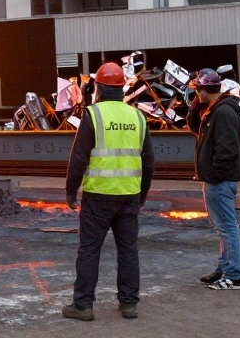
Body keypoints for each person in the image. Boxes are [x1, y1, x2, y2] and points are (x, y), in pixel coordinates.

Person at [62, 62, 154, 322]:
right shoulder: (138, 117)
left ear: (99, 88)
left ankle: (83, 306)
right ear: (122, 87)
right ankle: (128, 304)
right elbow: (149, 161)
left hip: (98, 197)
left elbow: (78, 158)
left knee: (90, 250)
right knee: (128, 250)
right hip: (128, 196)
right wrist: (143, 193)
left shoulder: (93, 115)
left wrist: (71, 191)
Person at [186, 68, 240, 290]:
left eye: (197, 90)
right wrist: (195, 106)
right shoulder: (214, 110)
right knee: (223, 227)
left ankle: (233, 275)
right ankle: (225, 269)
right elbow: (194, 128)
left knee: (228, 227)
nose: (196, 95)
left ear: (203, 89)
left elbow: (227, 150)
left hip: (220, 180)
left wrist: (213, 175)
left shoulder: (224, 112)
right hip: (217, 179)